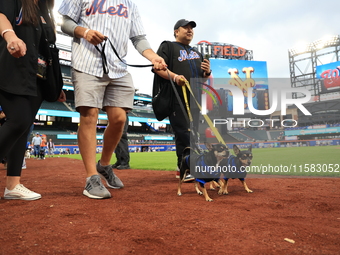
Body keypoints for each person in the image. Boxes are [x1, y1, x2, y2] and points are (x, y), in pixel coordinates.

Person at [58, 0, 167, 199]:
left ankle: (105, 165)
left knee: (119, 119)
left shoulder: (129, 4)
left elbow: (138, 37)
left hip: (118, 68)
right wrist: (85, 32)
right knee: (89, 115)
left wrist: (153, 57)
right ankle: (91, 177)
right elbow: (65, 23)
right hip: (86, 64)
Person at [0, 0, 66, 201]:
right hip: (12, 67)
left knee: (24, 127)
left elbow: (47, 47)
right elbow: (1, 15)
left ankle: (13, 185)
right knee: (18, 120)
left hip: (37, 77)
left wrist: (56, 84)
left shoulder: (45, 8)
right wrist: (10, 36)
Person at [153, 19, 212, 182]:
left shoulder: (197, 53)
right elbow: (157, 69)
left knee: (191, 134)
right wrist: (175, 77)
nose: (189, 30)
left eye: (191, 28)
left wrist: (206, 73)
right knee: (184, 132)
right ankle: (189, 168)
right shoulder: (168, 46)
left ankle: (183, 168)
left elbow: (203, 80)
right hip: (176, 97)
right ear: (176, 32)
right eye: (185, 28)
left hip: (195, 99)